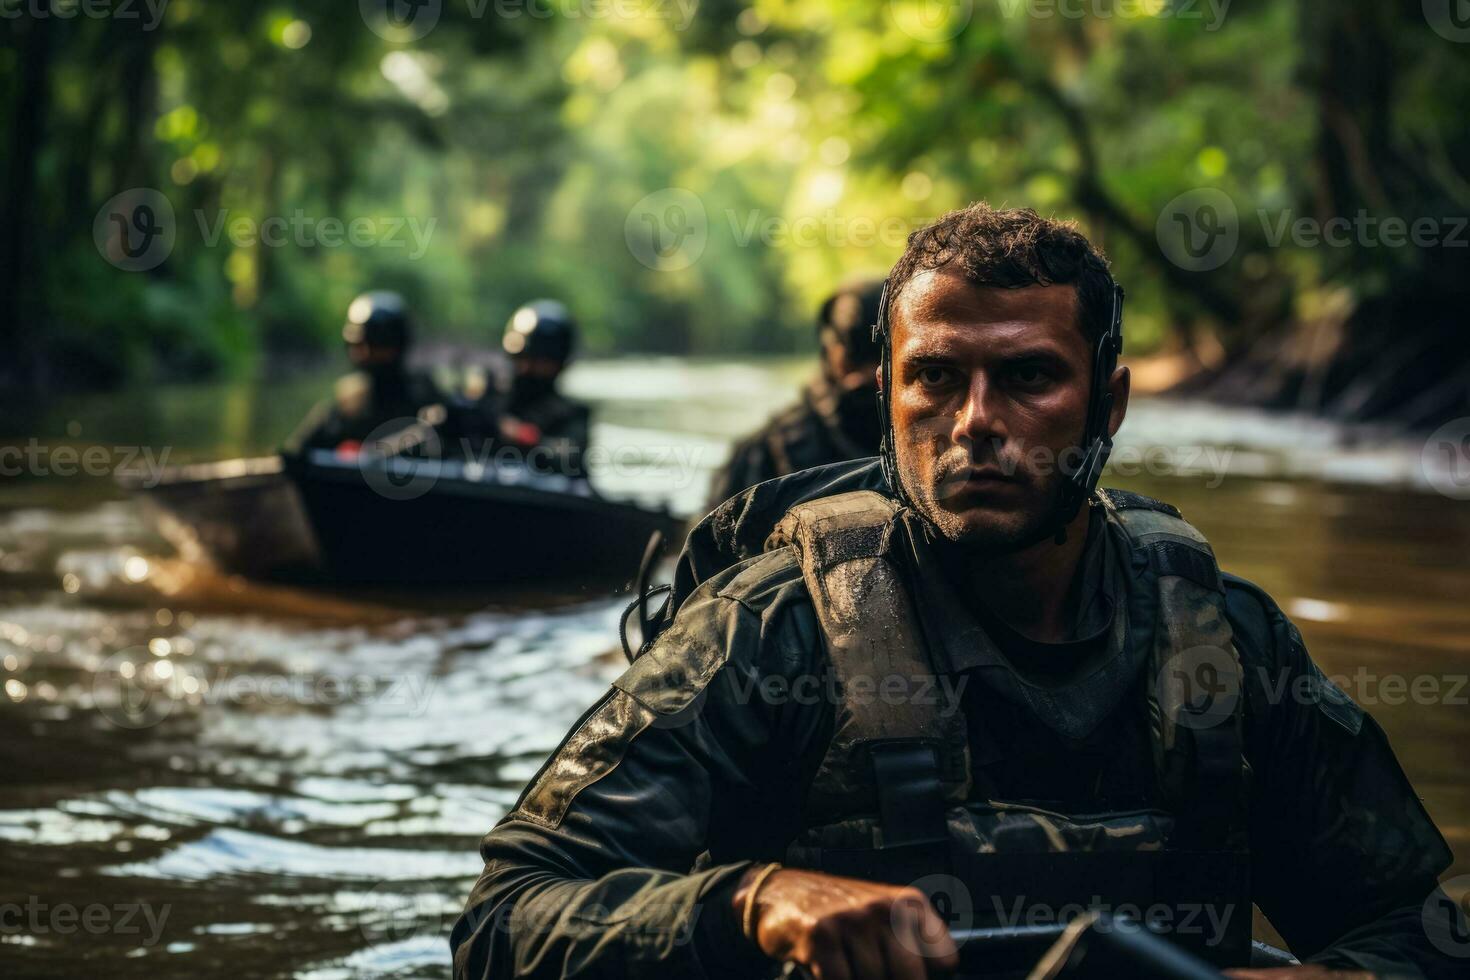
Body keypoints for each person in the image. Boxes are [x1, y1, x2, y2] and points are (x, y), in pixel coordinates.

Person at [450, 205, 1462, 980]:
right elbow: (504, 918)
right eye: (934, 377)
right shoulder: (769, 631)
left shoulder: (1225, 641)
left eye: (1028, 376)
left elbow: (1421, 923)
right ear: (887, 397)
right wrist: (753, 899)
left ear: (1107, 403)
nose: (976, 420)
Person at [706, 277, 886, 509]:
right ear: (828, 351)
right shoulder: (766, 451)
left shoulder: (922, 440)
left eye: (878, 352)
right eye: (857, 351)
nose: (871, 374)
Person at [283, 290, 445, 457]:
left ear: (397, 345)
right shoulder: (347, 405)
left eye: (376, 345)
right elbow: (296, 453)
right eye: (359, 345)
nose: (365, 353)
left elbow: (436, 435)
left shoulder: (423, 395)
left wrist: (367, 454)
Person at [487, 299, 591, 480]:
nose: (525, 368)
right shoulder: (491, 401)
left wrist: (522, 436)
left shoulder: (571, 416)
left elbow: (568, 458)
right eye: (521, 359)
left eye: (537, 361)